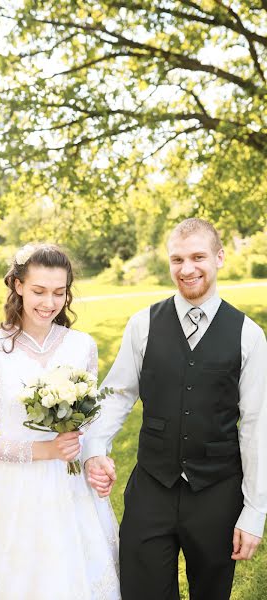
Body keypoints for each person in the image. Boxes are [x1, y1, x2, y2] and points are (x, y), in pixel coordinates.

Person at [84, 218, 267, 600]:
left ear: (219, 258)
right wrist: (95, 448)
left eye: (198, 257)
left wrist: (254, 512)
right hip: (152, 485)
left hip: (217, 492)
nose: (187, 269)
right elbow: (117, 395)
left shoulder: (249, 334)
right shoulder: (142, 325)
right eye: (177, 259)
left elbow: (256, 425)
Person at [0, 243, 120, 600]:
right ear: (18, 285)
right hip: (17, 489)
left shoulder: (82, 345)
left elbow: (91, 422)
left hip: (72, 486)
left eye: (59, 292)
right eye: (38, 291)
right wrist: (46, 449)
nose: (49, 303)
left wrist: (96, 458)